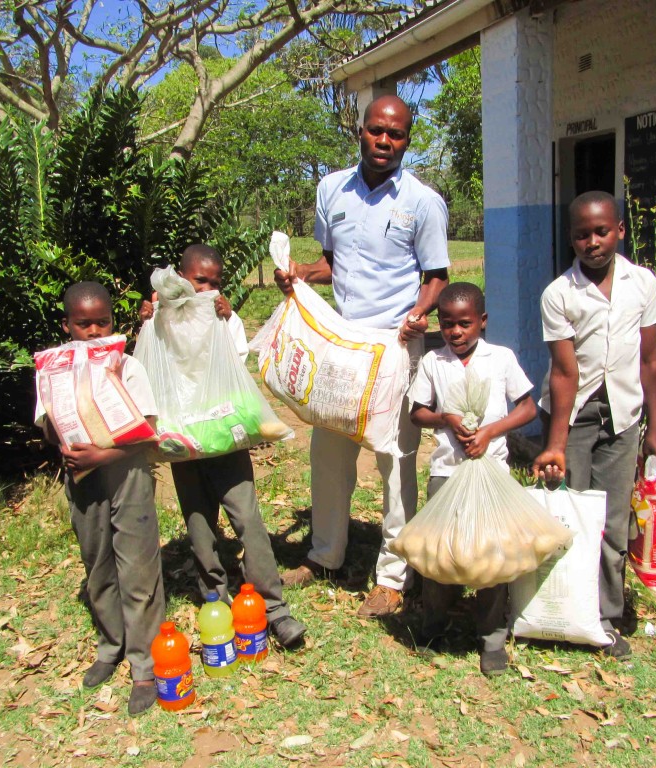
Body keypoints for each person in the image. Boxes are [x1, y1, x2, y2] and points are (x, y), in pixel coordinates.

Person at [275, 94, 450, 618]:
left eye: (395, 134)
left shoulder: (423, 202)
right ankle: (325, 553)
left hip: (396, 345)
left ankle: (393, 575)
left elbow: (436, 274)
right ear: (360, 131)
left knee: (396, 460)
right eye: (377, 130)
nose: (384, 140)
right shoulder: (332, 190)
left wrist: (422, 311)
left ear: (407, 140)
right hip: (342, 345)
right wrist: (301, 274)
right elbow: (332, 262)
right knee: (328, 454)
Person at [141, 244, 307, 649]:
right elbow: (148, 366)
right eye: (201, 280)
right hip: (183, 442)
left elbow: (235, 359)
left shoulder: (221, 317)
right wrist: (147, 320)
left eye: (215, 282)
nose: (209, 289)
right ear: (180, 278)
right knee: (199, 526)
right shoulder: (159, 317)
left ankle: (274, 609)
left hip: (225, 438)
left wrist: (228, 317)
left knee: (247, 519)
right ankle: (213, 597)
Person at [532, 191, 656, 659]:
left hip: (625, 416)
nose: (592, 242)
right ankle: (558, 609)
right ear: (570, 239)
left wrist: (654, 427)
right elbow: (564, 372)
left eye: (601, 231)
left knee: (611, 523)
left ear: (620, 231)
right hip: (574, 417)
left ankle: (606, 619)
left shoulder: (643, 283)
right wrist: (556, 443)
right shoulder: (559, 294)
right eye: (581, 234)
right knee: (567, 516)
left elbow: (649, 360)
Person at [35, 281, 165, 717]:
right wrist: (67, 436)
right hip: (82, 481)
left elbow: (146, 431)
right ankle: (111, 645)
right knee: (98, 564)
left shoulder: (126, 368)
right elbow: (49, 424)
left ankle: (144, 665)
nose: (93, 332)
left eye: (102, 322)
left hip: (128, 477)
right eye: (82, 324)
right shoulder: (51, 370)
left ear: (114, 321)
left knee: (138, 567)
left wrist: (102, 452)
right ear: (67, 325)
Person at [409, 282, 536, 676]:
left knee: (490, 554)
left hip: (491, 473)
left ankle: (492, 636)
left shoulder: (501, 359)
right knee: (440, 551)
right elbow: (417, 412)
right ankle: (434, 622)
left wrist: (490, 432)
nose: (455, 332)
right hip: (447, 471)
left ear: (482, 321)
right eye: (447, 324)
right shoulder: (434, 362)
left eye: (464, 323)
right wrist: (445, 419)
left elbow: (528, 408)